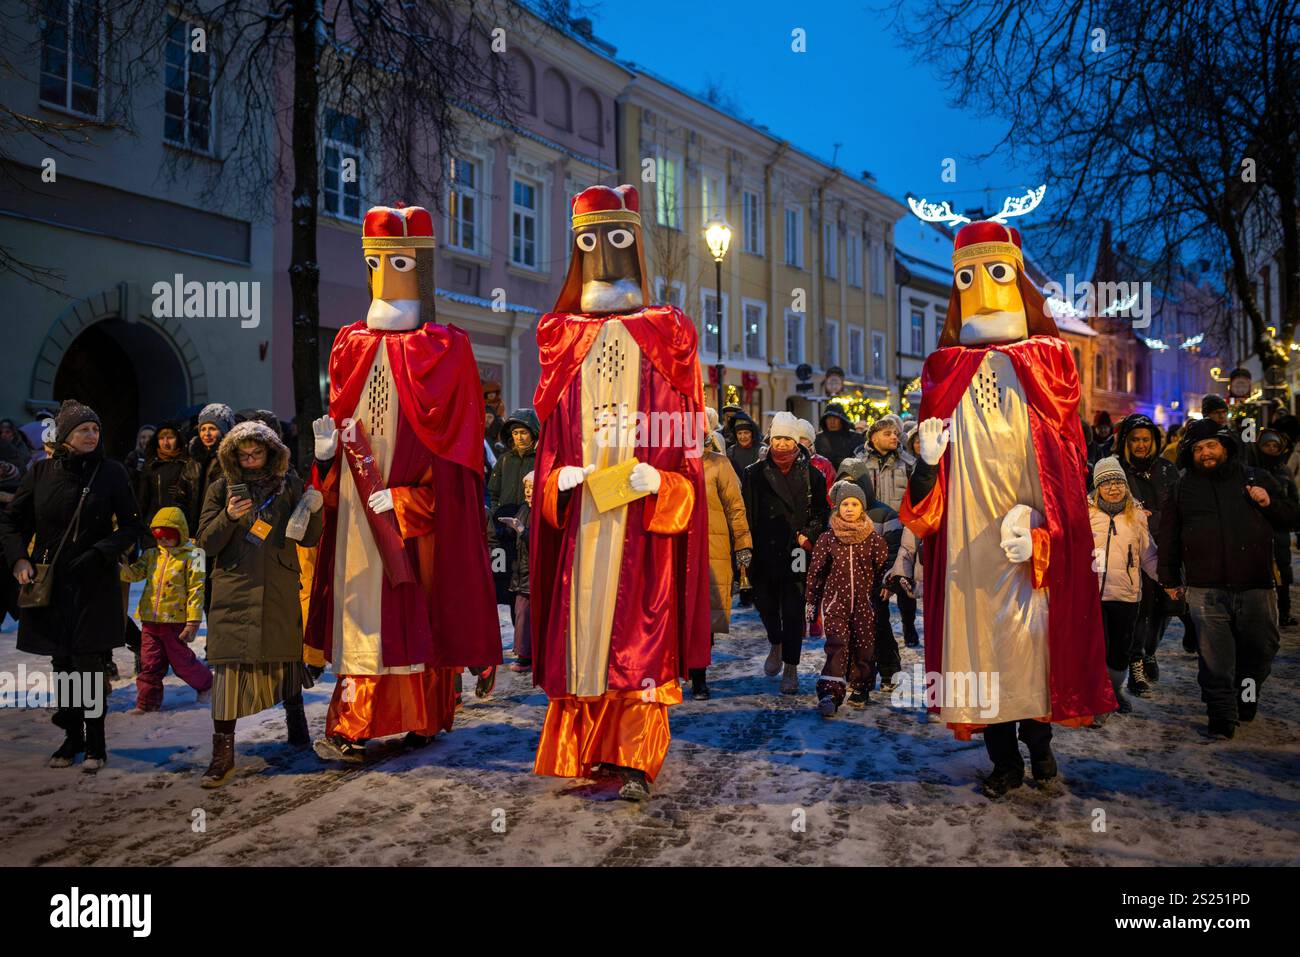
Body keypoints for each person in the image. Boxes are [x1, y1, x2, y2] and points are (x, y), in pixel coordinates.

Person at [901, 199, 1114, 798]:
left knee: (1032, 653)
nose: (985, 292)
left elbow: (1065, 480)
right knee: (982, 655)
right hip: (968, 557)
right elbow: (925, 506)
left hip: (1026, 553)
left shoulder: (1046, 367)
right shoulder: (944, 374)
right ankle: (1004, 762)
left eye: (996, 273)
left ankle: (1040, 752)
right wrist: (926, 463)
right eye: (969, 277)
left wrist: (1044, 534)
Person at [529, 184, 710, 801]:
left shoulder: (667, 336)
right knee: (584, 640)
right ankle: (588, 751)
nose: (602, 255)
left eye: (614, 238)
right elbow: (549, 453)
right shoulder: (562, 342)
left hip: (640, 526)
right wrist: (556, 482)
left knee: (638, 642)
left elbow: (686, 447)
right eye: (589, 241)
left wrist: (663, 482)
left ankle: (634, 757)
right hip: (584, 525)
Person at [306, 204, 500, 761]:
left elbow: (457, 459)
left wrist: (415, 501)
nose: (384, 277)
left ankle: (422, 715)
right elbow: (342, 424)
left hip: (414, 522)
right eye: (374, 263)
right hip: (356, 516)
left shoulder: (445, 348)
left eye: (396, 263)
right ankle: (351, 723)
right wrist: (326, 462)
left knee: (415, 614)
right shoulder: (349, 344)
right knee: (360, 614)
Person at [0, 400, 144, 771]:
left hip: (94, 582)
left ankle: (96, 743)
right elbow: (12, 522)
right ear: (65, 435)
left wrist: (101, 552)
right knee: (62, 661)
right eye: (83, 430)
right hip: (51, 583)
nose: (91, 435)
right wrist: (19, 559)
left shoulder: (110, 472)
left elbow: (132, 526)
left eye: (95, 429)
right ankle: (71, 738)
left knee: (90, 665)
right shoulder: (41, 472)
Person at [197, 420, 323, 786]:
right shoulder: (221, 488)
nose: (251, 460)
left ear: (271, 453)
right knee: (229, 671)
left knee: (286, 661)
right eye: (244, 455)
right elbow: (205, 542)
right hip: (234, 589)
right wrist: (228, 517)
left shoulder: (288, 486)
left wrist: (314, 510)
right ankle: (223, 754)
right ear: (232, 456)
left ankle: (298, 728)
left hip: (279, 587)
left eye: (258, 453)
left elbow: (308, 539)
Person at [1157, 418, 1298, 739]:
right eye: (1198, 449)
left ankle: (1246, 695)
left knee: (1260, 650)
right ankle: (1221, 714)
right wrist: (1169, 578)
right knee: (1215, 659)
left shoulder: (1254, 478)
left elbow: (1292, 516)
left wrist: (1269, 503)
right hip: (1205, 588)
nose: (1205, 453)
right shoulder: (1182, 488)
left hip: (1255, 584)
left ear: (1225, 446)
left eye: (1211, 446)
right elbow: (1169, 536)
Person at [743, 410, 830, 695]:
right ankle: (776, 642)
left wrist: (809, 535)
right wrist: (744, 549)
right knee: (765, 605)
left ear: (795, 441)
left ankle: (791, 666)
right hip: (764, 550)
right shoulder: (754, 473)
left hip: (796, 551)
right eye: (777, 438)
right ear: (770, 439)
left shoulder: (812, 475)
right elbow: (747, 514)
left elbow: (822, 513)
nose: (781, 444)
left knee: (793, 611)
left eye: (787, 439)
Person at [806, 480, 890, 716]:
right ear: (837, 507)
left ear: (862, 508)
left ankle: (861, 686)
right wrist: (812, 600)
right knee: (837, 645)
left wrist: (886, 586)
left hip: (865, 605)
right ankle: (830, 694)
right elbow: (816, 572)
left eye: (854, 504)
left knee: (865, 647)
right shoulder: (828, 538)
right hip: (836, 604)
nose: (849, 509)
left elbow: (883, 568)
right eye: (845, 504)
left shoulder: (873, 539)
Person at [120, 506, 212, 713]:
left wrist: (193, 622)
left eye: (168, 537)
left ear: (180, 533)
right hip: (150, 620)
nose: (163, 541)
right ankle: (147, 703)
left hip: (175, 622)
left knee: (181, 662)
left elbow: (197, 590)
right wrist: (120, 566)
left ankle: (206, 684)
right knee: (149, 663)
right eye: (159, 537)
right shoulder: (152, 555)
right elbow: (134, 574)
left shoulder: (194, 556)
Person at [1112, 413, 1179, 692]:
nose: (1141, 445)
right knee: (1140, 609)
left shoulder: (1166, 469)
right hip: (1131, 550)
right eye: (1135, 440)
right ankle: (1136, 663)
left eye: (1145, 439)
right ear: (1126, 442)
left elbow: (1179, 506)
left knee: (1165, 608)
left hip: (1165, 547)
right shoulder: (1116, 468)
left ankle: (1150, 650)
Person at [1088, 457, 1158, 720]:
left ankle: (1115, 690)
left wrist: (1169, 581)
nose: (1113, 488)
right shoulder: (1086, 513)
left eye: (1118, 482)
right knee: (1097, 650)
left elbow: (1149, 554)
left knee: (1120, 652)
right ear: (1098, 487)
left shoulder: (1136, 515)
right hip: (1093, 596)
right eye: (1106, 483)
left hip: (1126, 595)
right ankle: (1098, 700)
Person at [835, 457, 907, 676]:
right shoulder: (836, 516)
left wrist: (889, 579)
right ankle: (856, 671)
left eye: (853, 483)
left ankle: (889, 669)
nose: (849, 489)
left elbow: (893, 550)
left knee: (879, 628)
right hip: (846, 585)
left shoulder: (884, 514)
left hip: (875, 584)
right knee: (848, 631)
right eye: (843, 483)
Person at [696, 428, 752, 699]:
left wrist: (743, 544)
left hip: (710, 547)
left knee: (704, 612)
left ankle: (698, 675)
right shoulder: (667, 461)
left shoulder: (718, 463)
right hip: (675, 546)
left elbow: (735, 507)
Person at [857, 412, 918, 654]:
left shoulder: (908, 463)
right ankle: (879, 633)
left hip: (901, 531)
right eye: (887, 433)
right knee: (875, 587)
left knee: (903, 582)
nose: (894, 437)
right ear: (873, 437)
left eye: (896, 433)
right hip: (870, 531)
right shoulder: (859, 463)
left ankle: (908, 625)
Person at [487, 407, 539, 623]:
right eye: (515, 433)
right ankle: (519, 630)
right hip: (505, 530)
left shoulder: (540, 459)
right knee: (509, 584)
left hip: (528, 526)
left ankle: (527, 632)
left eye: (523, 432)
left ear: (533, 432)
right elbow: (493, 492)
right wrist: (497, 514)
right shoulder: (504, 460)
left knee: (528, 585)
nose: (519, 437)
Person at [1245, 427, 1300, 627]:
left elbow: (1293, 503)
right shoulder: (1250, 470)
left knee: (1283, 572)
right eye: (1266, 445)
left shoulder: (1284, 471)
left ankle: (1284, 610)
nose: (1270, 448)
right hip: (1256, 530)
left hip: (1279, 529)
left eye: (1274, 445)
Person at [503, 471, 534, 672]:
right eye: (526, 488)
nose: (528, 492)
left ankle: (526, 656)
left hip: (532, 571)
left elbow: (539, 541)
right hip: (521, 571)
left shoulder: (542, 511)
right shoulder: (524, 508)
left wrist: (522, 530)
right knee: (520, 612)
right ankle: (523, 653)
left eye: (532, 488)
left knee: (525, 614)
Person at [133, 420, 190, 524]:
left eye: (170, 438)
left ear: (178, 439)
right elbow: (142, 500)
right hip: (154, 524)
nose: (165, 443)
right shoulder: (151, 465)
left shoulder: (188, 464)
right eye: (161, 438)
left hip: (180, 523)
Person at [796, 418, 835, 504]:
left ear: (811, 441)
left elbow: (831, 494)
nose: (799, 441)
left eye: (803, 438)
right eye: (796, 437)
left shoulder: (824, 464)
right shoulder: (788, 462)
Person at [814, 403, 858, 470]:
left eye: (835, 418)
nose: (832, 421)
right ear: (825, 420)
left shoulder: (855, 438)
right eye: (829, 418)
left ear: (841, 420)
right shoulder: (817, 439)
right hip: (824, 473)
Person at [728, 412, 761, 476]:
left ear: (752, 433)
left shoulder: (762, 450)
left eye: (746, 433)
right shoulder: (730, 452)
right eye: (739, 433)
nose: (743, 437)